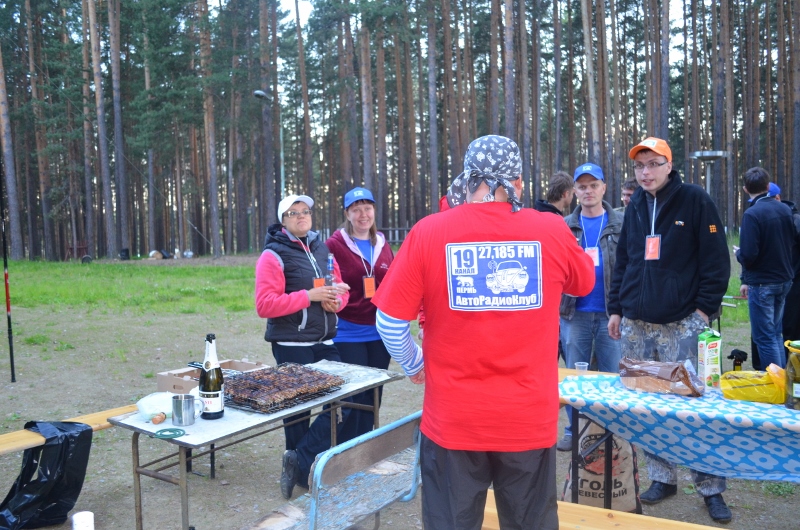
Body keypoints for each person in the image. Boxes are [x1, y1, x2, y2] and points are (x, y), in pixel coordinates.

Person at [373, 135, 595, 530]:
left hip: (453, 420)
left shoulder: (429, 231)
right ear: (518, 182)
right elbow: (583, 284)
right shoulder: (551, 228)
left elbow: (389, 322)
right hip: (527, 418)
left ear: (467, 178)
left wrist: (415, 364)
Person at [607, 137, 732, 523]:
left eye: (652, 164)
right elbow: (625, 259)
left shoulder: (695, 200)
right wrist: (616, 309)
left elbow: (716, 260)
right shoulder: (636, 205)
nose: (645, 173)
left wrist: (703, 311)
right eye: (639, 166)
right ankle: (663, 477)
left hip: (682, 324)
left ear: (669, 165)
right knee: (648, 405)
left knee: (694, 405)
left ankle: (710, 487)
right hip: (637, 324)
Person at [255, 193, 351, 500]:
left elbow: (336, 289)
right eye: (293, 212)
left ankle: (298, 459)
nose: (301, 216)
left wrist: (337, 301)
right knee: (297, 411)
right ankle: (303, 473)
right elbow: (264, 305)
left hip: (325, 341)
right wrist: (307, 297)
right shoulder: (272, 255)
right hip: (291, 343)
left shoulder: (322, 249)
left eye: (305, 211)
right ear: (283, 221)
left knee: (344, 400)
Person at [556, 163, 623, 451]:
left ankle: (613, 433)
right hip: (574, 314)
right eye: (582, 187)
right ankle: (574, 431)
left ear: (603, 188)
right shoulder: (563, 226)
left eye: (593, 185)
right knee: (575, 377)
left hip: (611, 314)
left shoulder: (620, 224)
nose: (588, 191)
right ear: (574, 191)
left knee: (612, 376)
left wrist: (622, 308)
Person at [326, 187, 394, 441]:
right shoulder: (334, 245)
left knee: (373, 395)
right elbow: (327, 282)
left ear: (374, 210)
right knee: (351, 397)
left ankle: (364, 448)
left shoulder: (383, 244)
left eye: (367, 208)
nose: (363, 215)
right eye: (356, 210)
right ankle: (340, 449)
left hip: (380, 331)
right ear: (347, 214)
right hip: (348, 331)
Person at [735, 167, 795, 369]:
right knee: (775, 333)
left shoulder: (752, 214)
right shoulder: (784, 209)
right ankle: (780, 379)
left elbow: (749, 255)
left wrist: (738, 254)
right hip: (784, 279)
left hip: (763, 283)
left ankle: (774, 381)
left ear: (745, 189)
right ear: (768, 186)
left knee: (764, 337)